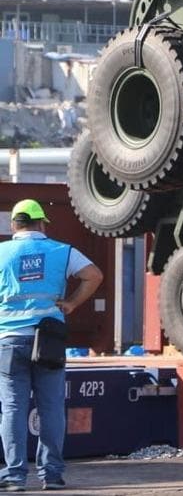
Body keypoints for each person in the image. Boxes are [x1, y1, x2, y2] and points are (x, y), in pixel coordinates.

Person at [0, 200, 102, 492]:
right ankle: (52, 475)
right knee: (51, 409)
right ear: (42, 223)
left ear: (14, 224)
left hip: (9, 340)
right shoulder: (62, 250)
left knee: (13, 408)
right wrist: (71, 303)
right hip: (49, 340)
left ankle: (15, 477)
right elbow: (94, 275)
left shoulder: (2, 252)